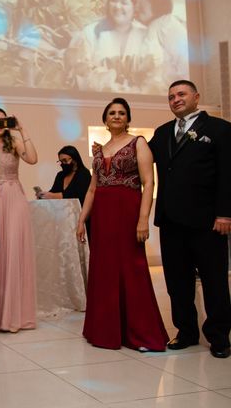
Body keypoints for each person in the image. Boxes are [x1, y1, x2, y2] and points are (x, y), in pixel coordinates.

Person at [77, 98, 168, 352]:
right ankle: (104, 330)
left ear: (127, 118)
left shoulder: (138, 142)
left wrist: (142, 220)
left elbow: (149, 183)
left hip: (128, 210)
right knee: (104, 269)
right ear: (105, 119)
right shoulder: (99, 150)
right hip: (103, 214)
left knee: (132, 267)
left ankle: (140, 333)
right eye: (112, 113)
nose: (117, 116)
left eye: (122, 113)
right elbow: (93, 188)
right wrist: (82, 218)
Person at [148, 80, 231, 359]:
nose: (175, 99)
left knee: (214, 281)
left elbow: (227, 175)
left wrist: (225, 213)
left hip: (208, 221)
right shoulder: (160, 134)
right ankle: (186, 331)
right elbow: (138, 160)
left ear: (196, 96)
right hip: (171, 222)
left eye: (181, 94)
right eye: (171, 96)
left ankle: (219, 336)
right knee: (177, 282)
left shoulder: (219, 129)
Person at [0, 108, 37, 332]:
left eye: (2, 120)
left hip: (14, 199)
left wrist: (22, 130)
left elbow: (32, 158)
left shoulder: (14, 143)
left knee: (12, 252)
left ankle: (12, 316)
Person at [66, 0, 160, 94]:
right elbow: (79, 71)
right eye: (113, 0)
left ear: (134, 7)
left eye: (124, 2)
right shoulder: (90, 32)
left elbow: (156, 71)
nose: (117, 6)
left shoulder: (146, 34)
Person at [137, 0, 189, 83]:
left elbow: (147, 55)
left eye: (141, 9)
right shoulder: (170, 21)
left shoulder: (158, 24)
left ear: (157, 8)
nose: (137, 9)